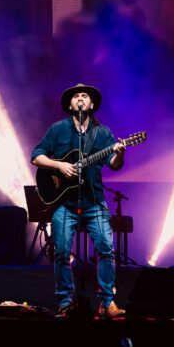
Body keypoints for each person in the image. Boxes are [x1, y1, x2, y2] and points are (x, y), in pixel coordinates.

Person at [31, 84, 127, 318]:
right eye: (76, 96)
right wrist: (59, 165)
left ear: (91, 104)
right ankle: (65, 303)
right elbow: (36, 156)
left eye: (85, 96)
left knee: (106, 250)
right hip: (65, 203)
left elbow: (113, 164)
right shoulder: (58, 129)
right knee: (62, 252)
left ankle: (106, 303)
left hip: (94, 202)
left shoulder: (102, 132)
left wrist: (120, 152)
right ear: (70, 105)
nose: (81, 99)